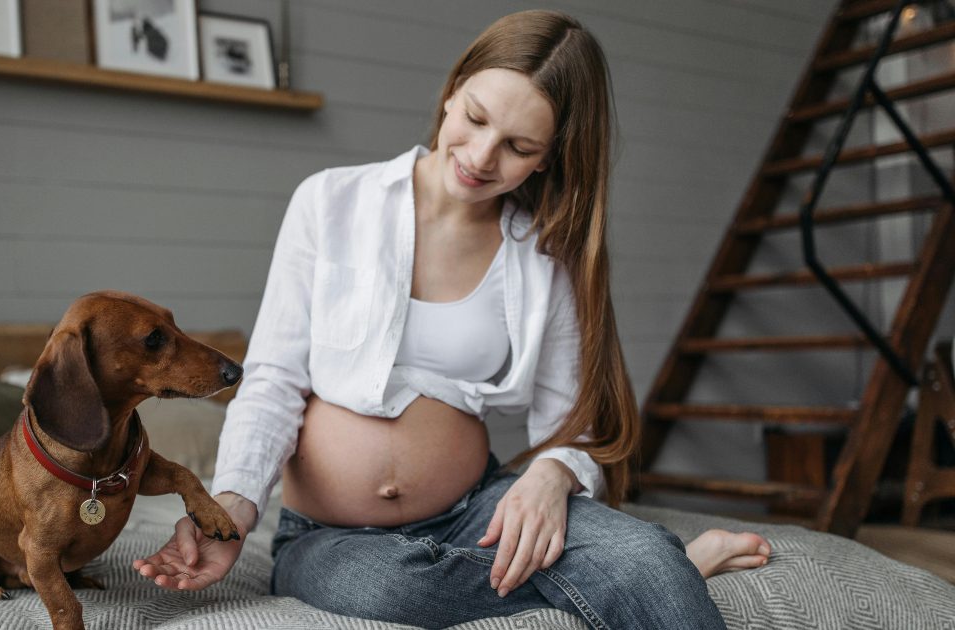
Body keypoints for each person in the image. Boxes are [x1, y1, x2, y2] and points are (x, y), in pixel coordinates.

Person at [135, 9, 771, 629]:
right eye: (474, 117)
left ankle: (643, 566)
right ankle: (657, 567)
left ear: (549, 157)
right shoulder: (330, 201)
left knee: (634, 560)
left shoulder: (546, 258)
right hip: (331, 535)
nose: (481, 156)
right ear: (452, 91)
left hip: (476, 508)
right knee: (395, 586)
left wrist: (551, 475)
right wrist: (234, 510)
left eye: (519, 147)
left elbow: (571, 426)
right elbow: (272, 380)